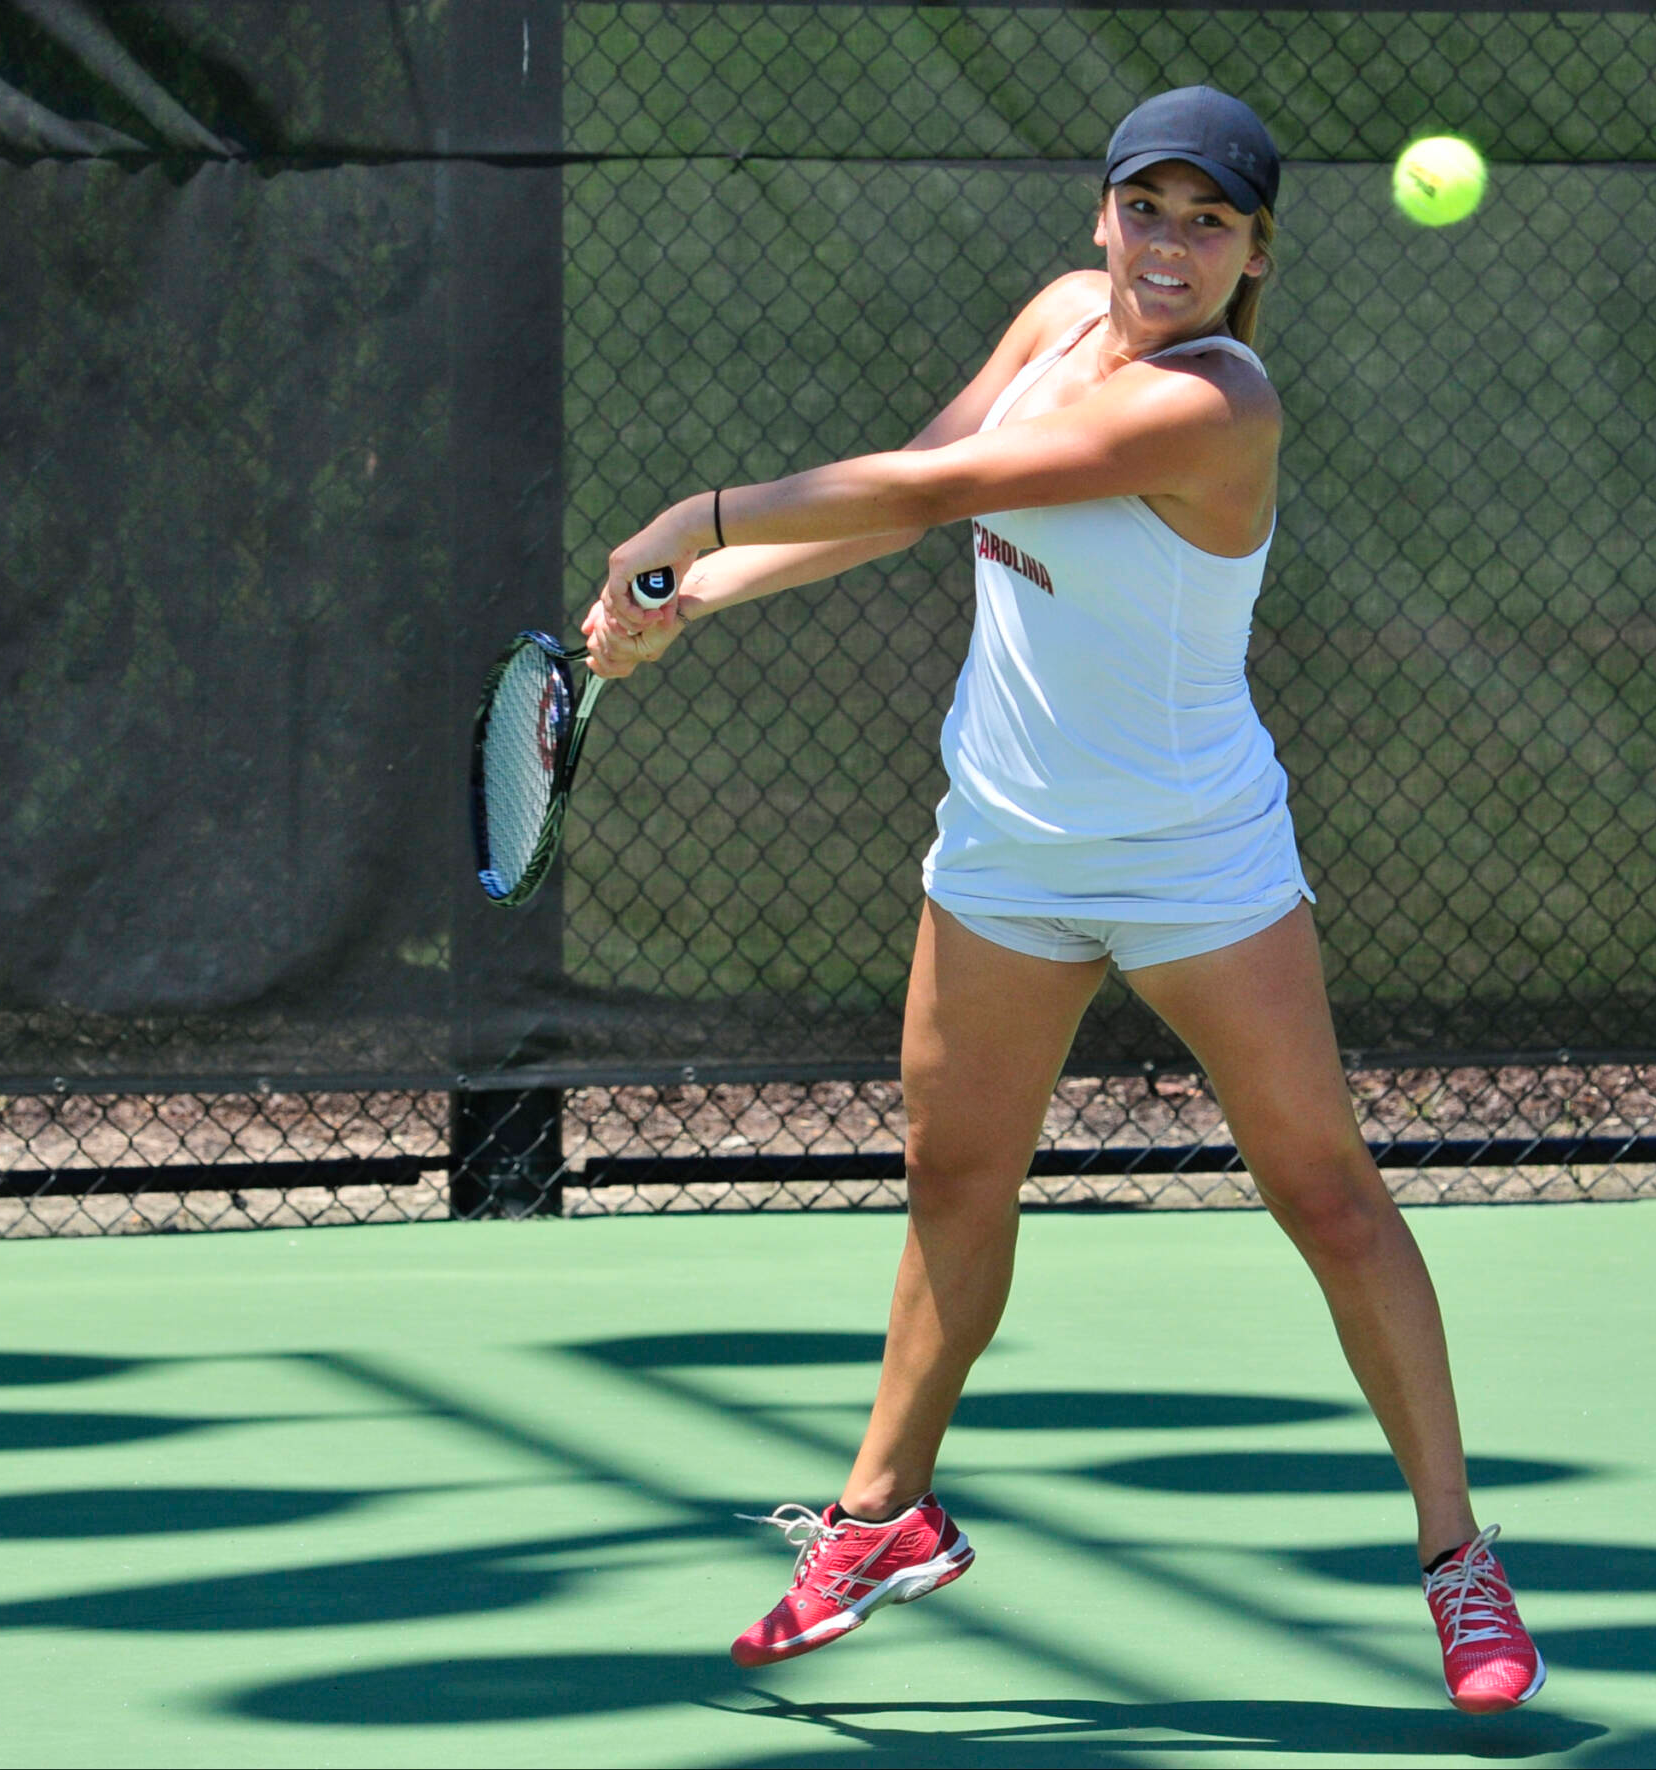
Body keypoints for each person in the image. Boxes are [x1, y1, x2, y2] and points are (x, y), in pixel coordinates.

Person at [585, 86, 1544, 1716]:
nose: (1167, 247)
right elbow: (924, 478)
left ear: (1256, 258)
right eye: (1144, 209)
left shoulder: (1215, 406)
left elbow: (930, 493)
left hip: (1193, 856)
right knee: (954, 1185)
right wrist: (696, 598)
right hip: (1006, 847)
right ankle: (883, 1517)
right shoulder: (1055, 318)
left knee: (1325, 1193)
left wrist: (693, 523)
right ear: (1103, 211)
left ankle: (1457, 1555)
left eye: (1207, 222)